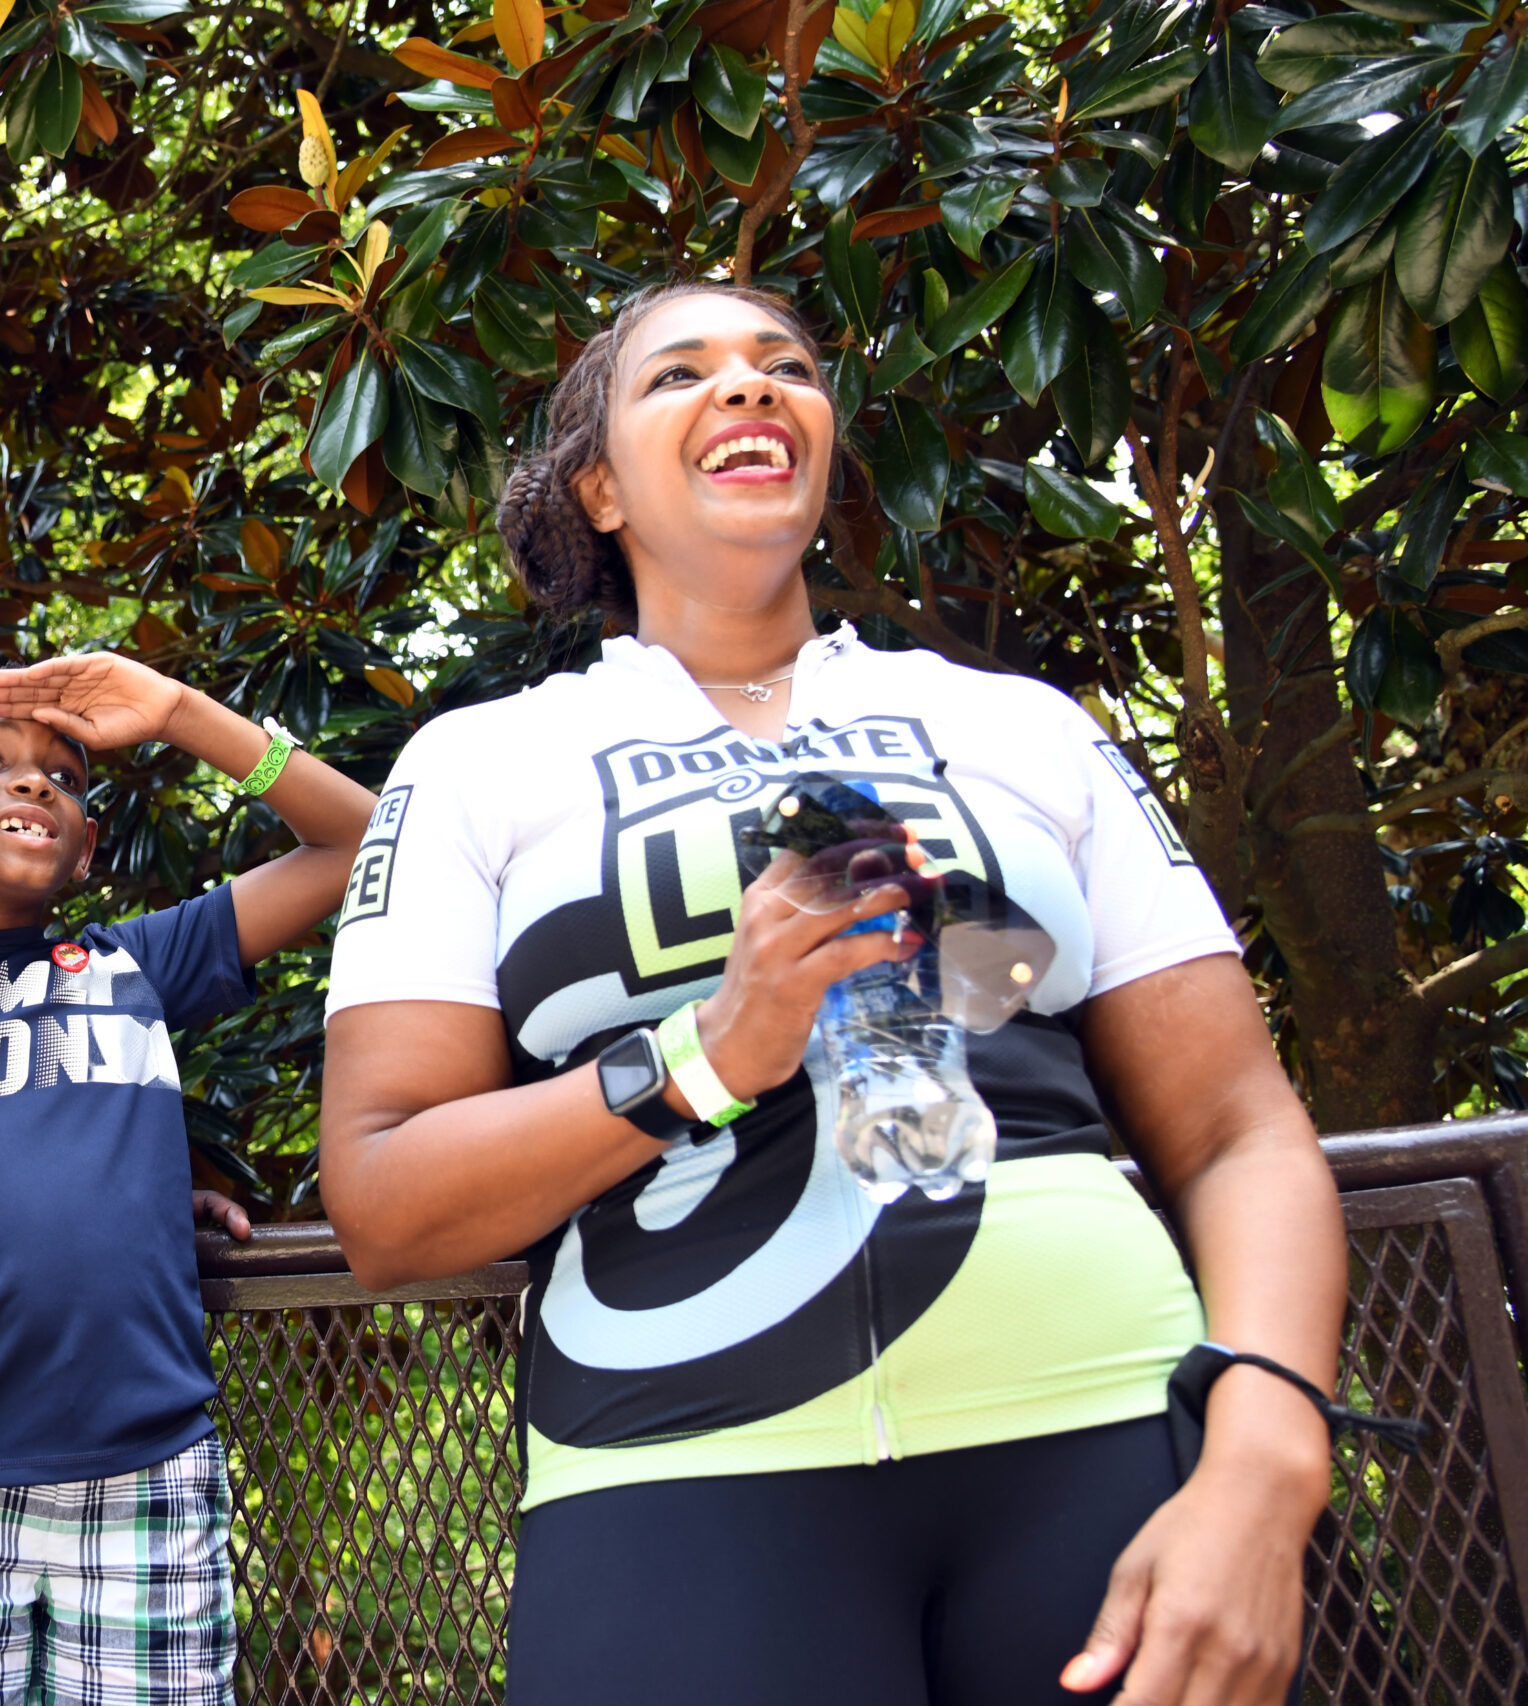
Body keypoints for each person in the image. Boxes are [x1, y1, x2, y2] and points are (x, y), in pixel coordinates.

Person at [315, 282, 1347, 1706]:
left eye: (784, 366)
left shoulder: (1017, 725)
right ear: (601, 487)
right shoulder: (478, 766)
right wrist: (707, 1052)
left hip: (1110, 1437)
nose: (749, 387)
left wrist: (1268, 1450)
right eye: (681, 374)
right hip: (680, 1471)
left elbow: (1238, 1126)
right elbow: (382, 1201)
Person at [0, 655, 376, 1705]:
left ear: (82, 852)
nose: (36, 783)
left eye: (65, 779)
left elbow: (358, 837)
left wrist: (176, 712)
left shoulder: (131, 965)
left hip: (145, 1474)